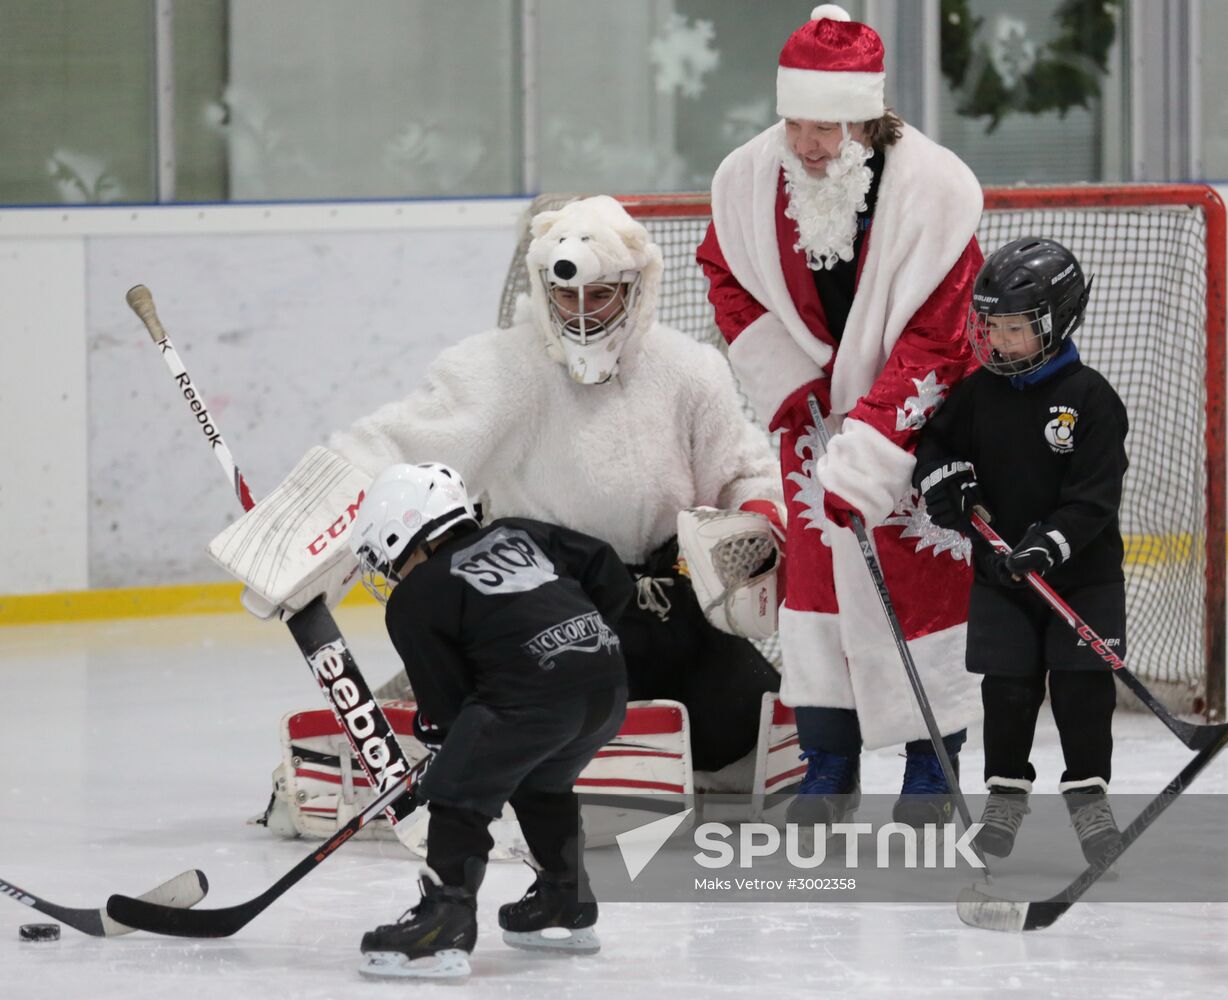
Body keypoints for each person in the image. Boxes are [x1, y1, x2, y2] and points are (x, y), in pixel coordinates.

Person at [327, 194, 784, 776]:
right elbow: (393, 447)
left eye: (600, 295)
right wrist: (301, 517)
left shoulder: (690, 371)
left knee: (747, 726)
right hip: (546, 608)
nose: (583, 313)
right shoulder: (501, 369)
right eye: (567, 296)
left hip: (665, 607)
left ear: (634, 287)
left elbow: (745, 473)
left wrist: (758, 517)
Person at [695, 3, 983, 826]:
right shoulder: (751, 178)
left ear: (867, 120)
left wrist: (873, 447)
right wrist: (791, 384)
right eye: (796, 126)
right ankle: (828, 765)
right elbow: (726, 275)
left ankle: (933, 767)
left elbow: (941, 337)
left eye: (826, 130)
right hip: (809, 421)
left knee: (923, 591)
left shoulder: (938, 192)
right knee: (815, 595)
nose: (809, 147)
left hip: (917, 432)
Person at [351, 462, 632, 981]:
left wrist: (451, 746)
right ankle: (564, 901)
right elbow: (608, 567)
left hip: (530, 699)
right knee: (543, 782)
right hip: (606, 686)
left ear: (403, 533)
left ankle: (444, 921)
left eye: (389, 559)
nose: (391, 573)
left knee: (456, 791)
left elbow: (449, 704)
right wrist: (581, 642)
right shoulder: (522, 532)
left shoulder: (414, 597)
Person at [914, 237, 1128, 865]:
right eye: (993, 326)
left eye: (1016, 328)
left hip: (1083, 579)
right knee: (1006, 691)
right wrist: (948, 479)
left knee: (1082, 692)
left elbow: (1094, 499)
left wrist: (1048, 546)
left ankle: (1091, 806)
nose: (999, 340)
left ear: (1058, 322)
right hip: (999, 575)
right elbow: (934, 448)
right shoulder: (978, 394)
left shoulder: (1092, 400)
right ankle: (1004, 800)